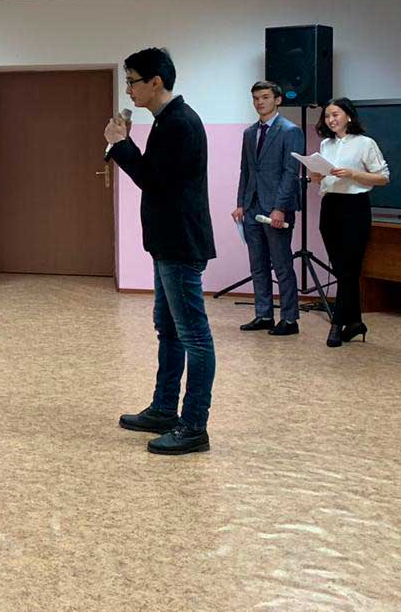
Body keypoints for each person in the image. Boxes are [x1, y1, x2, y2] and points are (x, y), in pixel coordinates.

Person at [105, 48, 216, 456]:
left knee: (194, 336)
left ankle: (194, 426)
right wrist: (126, 144)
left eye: (133, 81)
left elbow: (154, 181)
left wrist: (121, 145)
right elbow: (158, 177)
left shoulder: (180, 124)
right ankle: (165, 409)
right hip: (167, 242)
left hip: (180, 243)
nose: (128, 90)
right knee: (168, 329)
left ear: (156, 82)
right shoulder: (166, 120)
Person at [310, 98, 390, 348]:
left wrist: (353, 173)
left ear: (349, 116)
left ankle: (337, 323)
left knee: (349, 269)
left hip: (354, 207)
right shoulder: (326, 144)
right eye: (327, 116)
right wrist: (315, 175)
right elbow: (322, 180)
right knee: (342, 269)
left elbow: (383, 177)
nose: (331, 120)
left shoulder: (365, 143)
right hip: (330, 206)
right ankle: (355, 322)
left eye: (335, 115)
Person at [233, 81, 305, 336]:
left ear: (277, 100)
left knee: (282, 264)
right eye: (256, 98)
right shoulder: (249, 133)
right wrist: (241, 203)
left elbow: (290, 173)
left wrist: (280, 207)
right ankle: (263, 314)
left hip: (276, 208)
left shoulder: (290, 131)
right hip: (252, 206)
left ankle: (289, 319)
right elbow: (246, 170)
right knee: (258, 264)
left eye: (265, 97)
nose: (259, 102)